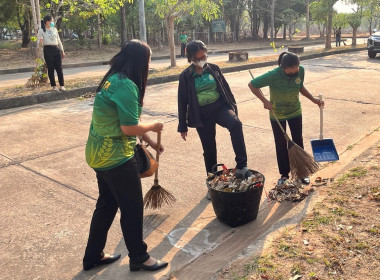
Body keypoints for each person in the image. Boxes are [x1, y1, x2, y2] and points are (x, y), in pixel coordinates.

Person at [83, 40, 168, 272]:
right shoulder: (127, 86)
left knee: (107, 204)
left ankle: (92, 256)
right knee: (131, 209)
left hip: (98, 154)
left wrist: (149, 141)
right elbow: (129, 128)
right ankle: (139, 257)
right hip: (116, 159)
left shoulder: (112, 78)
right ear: (142, 61)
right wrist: (154, 126)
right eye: (149, 60)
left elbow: (122, 121)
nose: (149, 65)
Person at [178, 40, 252, 198]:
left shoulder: (214, 69)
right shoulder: (185, 76)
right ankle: (213, 182)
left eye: (205, 56)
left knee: (236, 124)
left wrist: (233, 108)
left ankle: (242, 166)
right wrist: (182, 126)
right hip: (201, 114)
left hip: (220, 108)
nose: (203, 60)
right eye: (199, 58)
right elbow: (182, 101)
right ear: (191, 58)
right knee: (209, 147)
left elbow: (225, 88)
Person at [248, 52, 324, 186]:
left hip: (295, 111)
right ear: (283, 68)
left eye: (296, 69)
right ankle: (284, 174)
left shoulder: (300, 70)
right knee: (281, 143)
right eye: (291, 72)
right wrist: (265, 101)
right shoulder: (273, 75)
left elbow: (300, 86)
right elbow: (252, 85)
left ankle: (302, 173)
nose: (295, 73)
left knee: (298, 140)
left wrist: (314, 100)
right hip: (277, 114)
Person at [37, 15, 66, 91]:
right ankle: (54, 86)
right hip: (48, 50)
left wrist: (62, 51)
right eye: (51, 21)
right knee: (51, 68)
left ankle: (62, 85)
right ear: (47, 22)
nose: (52, 22)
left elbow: (59, 40)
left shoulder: (54, 30)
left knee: (59, 68)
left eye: (53, 21)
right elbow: (39, 43)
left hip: (56, 49)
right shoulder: (41, 30)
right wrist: (40, 42)